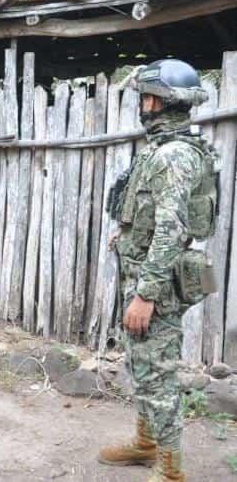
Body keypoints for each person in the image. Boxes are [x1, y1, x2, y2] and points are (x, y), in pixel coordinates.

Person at [98, 60, 219, 481]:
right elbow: (155, 215)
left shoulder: (172, 155)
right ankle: (147, 444)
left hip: (158, 284)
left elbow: (172, 228)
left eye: (145, 97)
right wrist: (126, 234)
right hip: (150, 272)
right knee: (143, 365)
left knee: (159, 376)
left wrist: (146, 295)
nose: (142, 105)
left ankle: (170, 472)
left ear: (157, 101)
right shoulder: (169, 148)